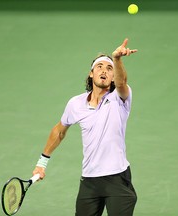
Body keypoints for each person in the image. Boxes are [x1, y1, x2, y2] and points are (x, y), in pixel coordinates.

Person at [32, 38, 138, 216]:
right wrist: (42, 163)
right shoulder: (76, 103)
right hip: (89, 181)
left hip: (118, 178)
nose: (104, 71)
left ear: (113, 77)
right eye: (100, 67)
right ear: (91, 74)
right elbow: (59, 131)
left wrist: (117, 59)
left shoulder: (119, 98)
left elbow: (122, 83)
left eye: (109, 68)